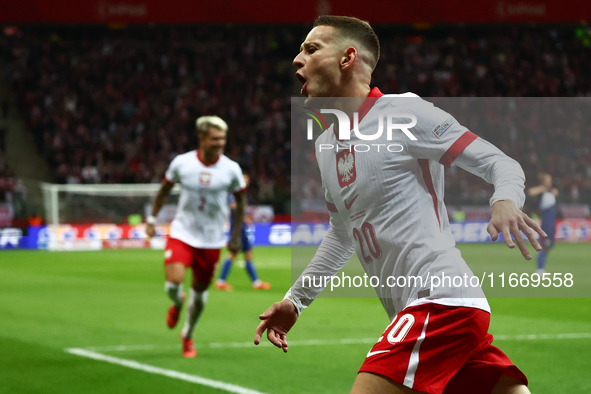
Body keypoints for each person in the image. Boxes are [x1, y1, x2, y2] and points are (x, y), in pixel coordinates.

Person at [254, 16, 546, 394]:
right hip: (428, 310)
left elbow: (499, 163)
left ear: (348, 58)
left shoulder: (403, 113)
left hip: (440, 301)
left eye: (310, 49)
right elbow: (343, 234)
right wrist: (296, 301)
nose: (297, 59)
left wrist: (504, 199)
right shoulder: (325, 145)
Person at [147, 115, 246, 358]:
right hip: (182, 232)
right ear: (201, 138)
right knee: (173, 283)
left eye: (223, 138)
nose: (220, 143)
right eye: (215, 139)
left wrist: (236, 236)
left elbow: (241, 201)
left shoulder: (231, 169)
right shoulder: (182, 163)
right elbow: (164, 190)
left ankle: (188, 335)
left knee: (200, 297)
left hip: (212, 239)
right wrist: (152, 219)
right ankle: (177, 303)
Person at [215, 175, 271, 291]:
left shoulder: (244, 194)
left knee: (248, 254)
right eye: (244, 181)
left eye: (247, 181)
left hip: (242, 228)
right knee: (232, 254)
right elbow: (234, 206)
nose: (246, 183)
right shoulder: (235, 193)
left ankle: (256, 282)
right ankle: (220, 281)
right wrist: (245, 217)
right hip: (236, 229)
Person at [527, 172, 558, 274]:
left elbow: (556, 192)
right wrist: (542, 188)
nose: (550, 182)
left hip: (552, 222)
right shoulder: (541, 191)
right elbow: (531, 192)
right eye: (547, 180)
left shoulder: (551, 191)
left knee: (548, 246)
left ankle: (541, 268)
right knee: (545, 245)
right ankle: (539, 269)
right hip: (546, 222)